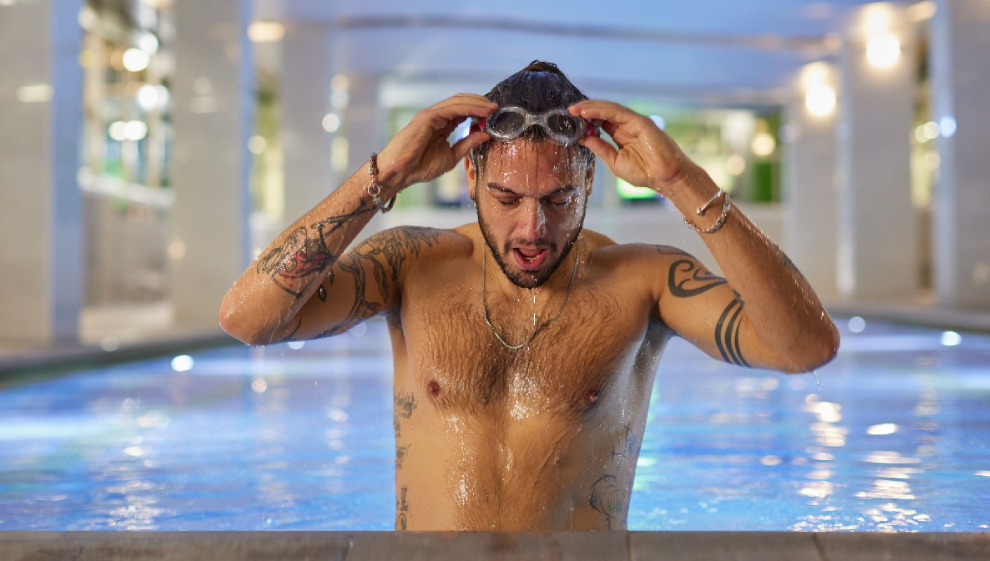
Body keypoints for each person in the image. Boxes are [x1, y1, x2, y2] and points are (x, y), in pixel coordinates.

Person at [219, 61, 839, 531]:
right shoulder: (411, 264)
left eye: (558, 200)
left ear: (591, 177)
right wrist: (384, 176)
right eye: (508, 198)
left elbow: (804, 348)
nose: (532, 230)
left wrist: (681, 180)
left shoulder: (643, 280)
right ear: (471, 175)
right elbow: (248, 318)